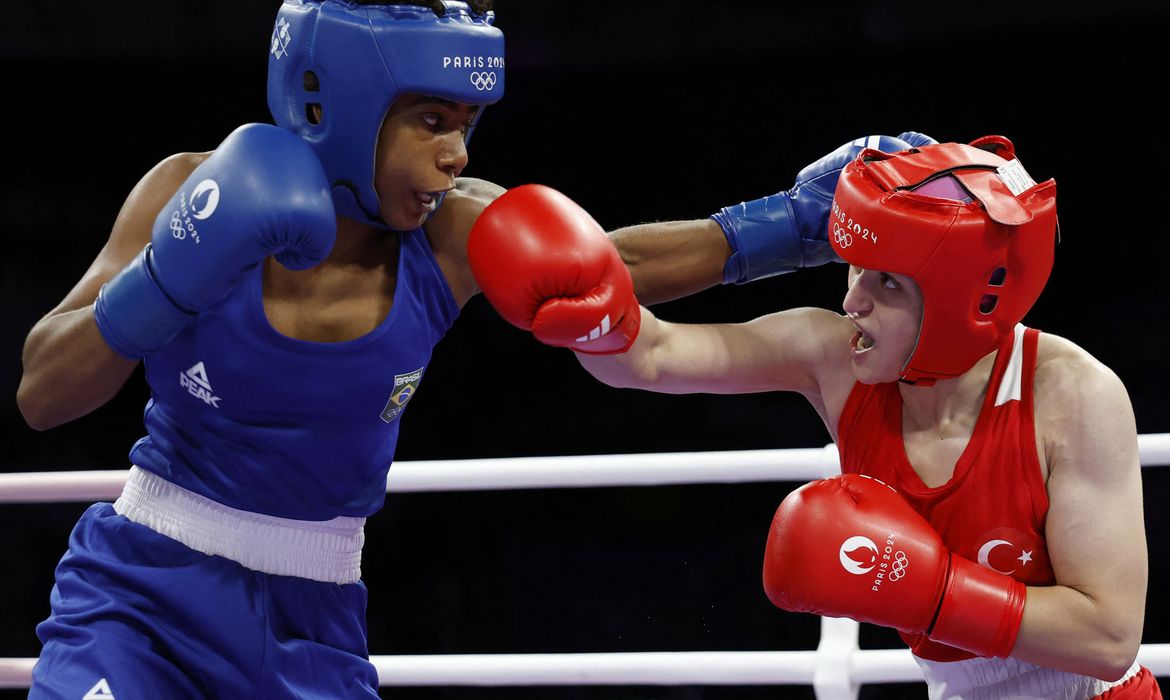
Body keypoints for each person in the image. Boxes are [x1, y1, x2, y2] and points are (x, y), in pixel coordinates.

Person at [15, 0, 935, 695]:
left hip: (316, 618)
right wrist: (171, 276)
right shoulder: (190, 189)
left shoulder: (451, 234)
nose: (456, 153)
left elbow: (611, 265)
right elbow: (42, 394)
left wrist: (798, 225)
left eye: (467, 124)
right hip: (140, 592)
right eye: (430, 121)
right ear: (333, 108)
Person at [467, 137, 1160, 698]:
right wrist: (593, 323)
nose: (853, 301)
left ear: (960, 302)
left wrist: (931, 588)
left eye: (886, 282)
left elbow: (1107, 639)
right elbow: (650, 355)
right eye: (854, 269)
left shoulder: (1071, 396)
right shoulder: (830, 356)